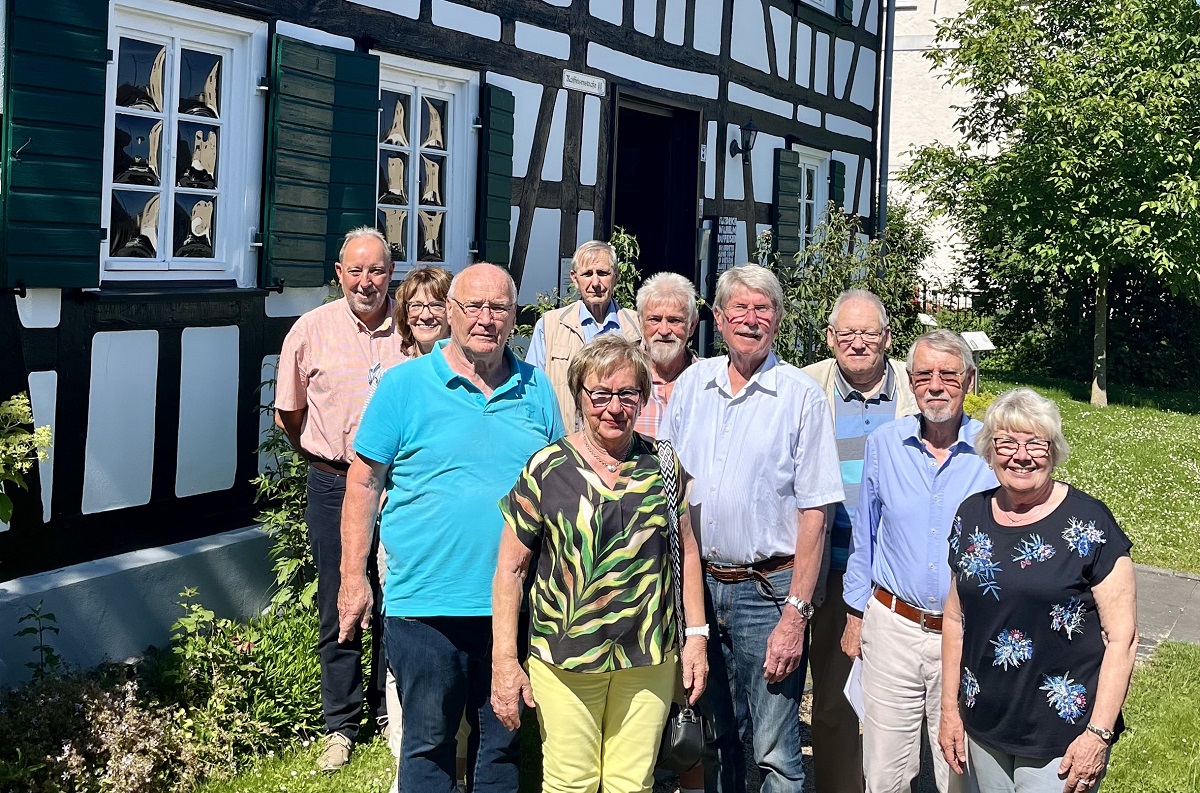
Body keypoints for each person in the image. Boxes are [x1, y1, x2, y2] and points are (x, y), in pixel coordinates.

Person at [338, 263, 565, 793]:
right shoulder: (404, 386)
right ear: (450, 312)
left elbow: (559, 483)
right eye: (474, 307)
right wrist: (354, 578)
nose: (486, 319)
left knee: (503, 747)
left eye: (499, 309)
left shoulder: (537, 390)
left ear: (514, 318)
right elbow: (364, 484)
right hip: (425, 606)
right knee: (428, 745)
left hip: (513, 607)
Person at [491, 334, 709, 793]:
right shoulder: (547, 468)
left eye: (627, 394)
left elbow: (687, 550)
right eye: (600, 394)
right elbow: (511, 569)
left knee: (632, 783)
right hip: (564, 655)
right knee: (572, 782)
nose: (614, 407)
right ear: (579, 396)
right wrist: (505, 659)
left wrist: (695, 640)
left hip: (648, 655)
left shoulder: (663, 463)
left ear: (643, 398)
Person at [661, 264, 844, 793]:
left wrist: (796, 615)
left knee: (774, 751)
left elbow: (817, 514)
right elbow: (668, 488)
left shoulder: (800, 396)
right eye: (738, 308)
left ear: (778, 321)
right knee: (714, 738)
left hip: (768, 591)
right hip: (698, 586)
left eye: (762, 309)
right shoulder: (693, 385)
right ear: (717, 319)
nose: (750, 319)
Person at [940, 388, 1138, 793]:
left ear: (1054, 450)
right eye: (1007, 443)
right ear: (990, 451)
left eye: (1036, 443)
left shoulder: (1090, 523)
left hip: (1061, 737)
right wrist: (949, 709)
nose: (1022, 455)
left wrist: (1097, 735)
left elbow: (1124, 638)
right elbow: (956, 619)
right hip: (984, 725)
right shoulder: (971, 515)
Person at [842, 329, 999, 793]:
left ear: (969, 380)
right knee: (886, 773)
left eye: (948, 375)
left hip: (969, 633)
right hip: (893, 626)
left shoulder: (994, 451)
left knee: (958, 770)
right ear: (910, 382)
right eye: (924, 375)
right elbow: (864, 536)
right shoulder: (884, 444)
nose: (936, 385)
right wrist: (856, 613)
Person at [274, 226, 404, 771]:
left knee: (397, 594)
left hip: (403, 483)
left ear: (390, 273)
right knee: (342, 597)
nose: (366, 281)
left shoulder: (415, 328)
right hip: (335, 480)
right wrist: (331, 457)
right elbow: (290, 413)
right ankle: (341, 724)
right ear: (339, 274)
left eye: (376, 270)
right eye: (356, 270)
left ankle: (388, 706)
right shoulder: (311, 330)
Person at [801, 289, 918, 793]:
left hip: (894, 576)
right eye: (846, 334)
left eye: (869, 333)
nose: (857, 343)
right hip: (823, 566)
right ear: (830, 338)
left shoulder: (920, 394)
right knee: (831, 701)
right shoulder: (805, 386)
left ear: (888, 339)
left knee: (900, 699)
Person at [525, 240, 641, 427]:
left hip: (621, 444)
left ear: (616, 276)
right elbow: (532, 392)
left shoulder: (636, 327)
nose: (595, 282)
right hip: (566, 444)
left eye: (603, 273)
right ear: (574, 278)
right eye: (587, 274)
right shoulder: (549, 326)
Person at [632, 272, 699, 437]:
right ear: (640, 323)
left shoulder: (709, 383)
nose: (664, 331)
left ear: (692, 325)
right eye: (654, 319)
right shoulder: (619, 377)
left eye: (674, 320)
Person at [394, 264, 453, 357]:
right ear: (406, 315)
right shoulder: (395, 367)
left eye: (436, 305)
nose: (425, 316)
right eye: (416, 305)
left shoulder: (470, 368)